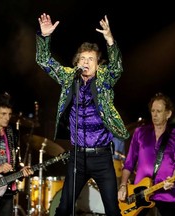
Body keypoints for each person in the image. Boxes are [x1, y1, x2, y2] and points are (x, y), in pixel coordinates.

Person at [36, 13, 130, 216]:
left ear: (98, 64)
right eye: (83, 58)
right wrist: (44, 37)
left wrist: (110, 40)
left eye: (91, 59)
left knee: (113, 210)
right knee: (64, 208)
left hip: (102, 156)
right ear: (77, 62)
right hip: (77, 156)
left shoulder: (105, 79)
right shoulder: (70, 77)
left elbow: (117, 67)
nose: (86, 62)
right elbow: (44, 61)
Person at [118, 92, 175, 216]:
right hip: (140, 192)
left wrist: (173, 179)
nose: (154, 115)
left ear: (168, 114)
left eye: (159, 111)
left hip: (166, 192)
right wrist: (123, 185)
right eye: (152, 111)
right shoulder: (140, 132)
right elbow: (129, 163)